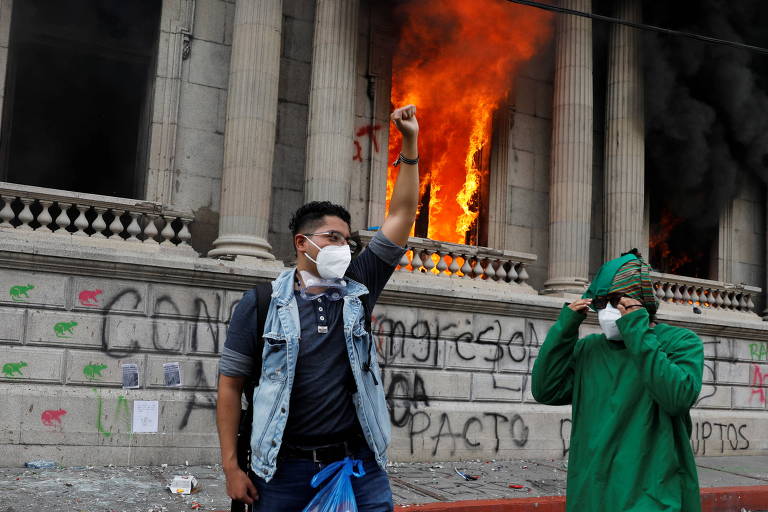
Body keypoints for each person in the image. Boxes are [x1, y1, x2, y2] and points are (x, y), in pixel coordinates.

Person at [216, 105, 420, 512]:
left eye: (348, 240)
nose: (344, 247)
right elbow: (229, 388)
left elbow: (401, 214)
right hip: (281, 471)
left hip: (358, 467)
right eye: (333, 237)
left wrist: (410, 142)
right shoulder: (260, 303)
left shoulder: (358, 288)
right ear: (301, 242)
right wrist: (231, 470)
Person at [532, 249, 704, 511]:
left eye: (615, 301)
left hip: (653, 494)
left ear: (641, 303)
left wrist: (636, 329)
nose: (606, 311)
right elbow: (546, 390)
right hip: (591, 493)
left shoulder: (680, 342)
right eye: (600, 304)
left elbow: (677, 397)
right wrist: (564, 329)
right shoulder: (589, 349)